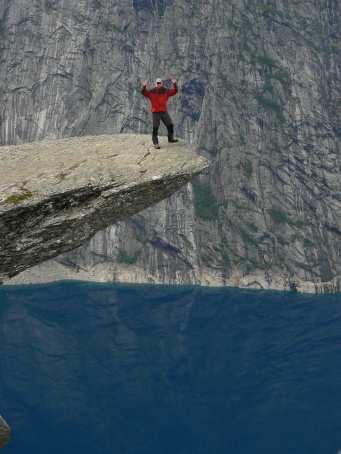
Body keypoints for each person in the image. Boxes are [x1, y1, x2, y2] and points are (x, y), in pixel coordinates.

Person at [141, 77, 178, 149]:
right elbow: (143, 92)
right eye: (157, 83)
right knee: (155, 128)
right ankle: (156, 143)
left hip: (163, 111)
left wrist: (174, 84)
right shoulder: (151, 92)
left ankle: (170, 139)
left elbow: (175, 91)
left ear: (162, 83)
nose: (158, 84)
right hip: (156, 112)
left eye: (159, 83)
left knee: (170, 125)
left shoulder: (166, 91)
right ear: (155, 84)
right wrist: (144, 86)